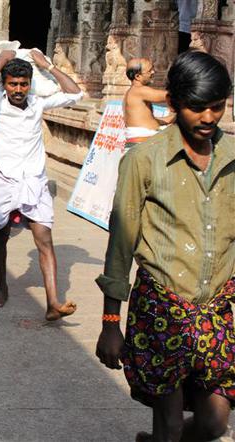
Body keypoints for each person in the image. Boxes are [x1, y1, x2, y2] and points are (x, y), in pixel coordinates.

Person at [96, 51, 234, 442]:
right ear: (173, 104)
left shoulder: (232, 159)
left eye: (218, 108)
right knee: (170, 425)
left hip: (216, 310)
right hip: (162, 309)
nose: (208, 118)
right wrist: (110, 323)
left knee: (213, 424)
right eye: (197, 108)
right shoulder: (144, 160)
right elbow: (120, 242)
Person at [0, 49, 81, 320]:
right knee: (0, 238)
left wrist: (48, 66)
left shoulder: (37, 103)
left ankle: (52, 302)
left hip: (34, 181)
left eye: (23, 84)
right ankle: (2, 287)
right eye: (13, 83)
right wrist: (1, 60)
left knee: (44, 239)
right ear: (5, 83)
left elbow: (75, 93)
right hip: (4, 181)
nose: (18, 89)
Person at [123, 58, 175, 148]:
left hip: (143, 144)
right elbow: (169, 96)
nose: (153, 72)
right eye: (149, 71)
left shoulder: (132, 92)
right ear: (137, 76)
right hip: (142, 146)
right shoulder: (139, 91)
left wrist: (173, 117)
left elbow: (150, 121)